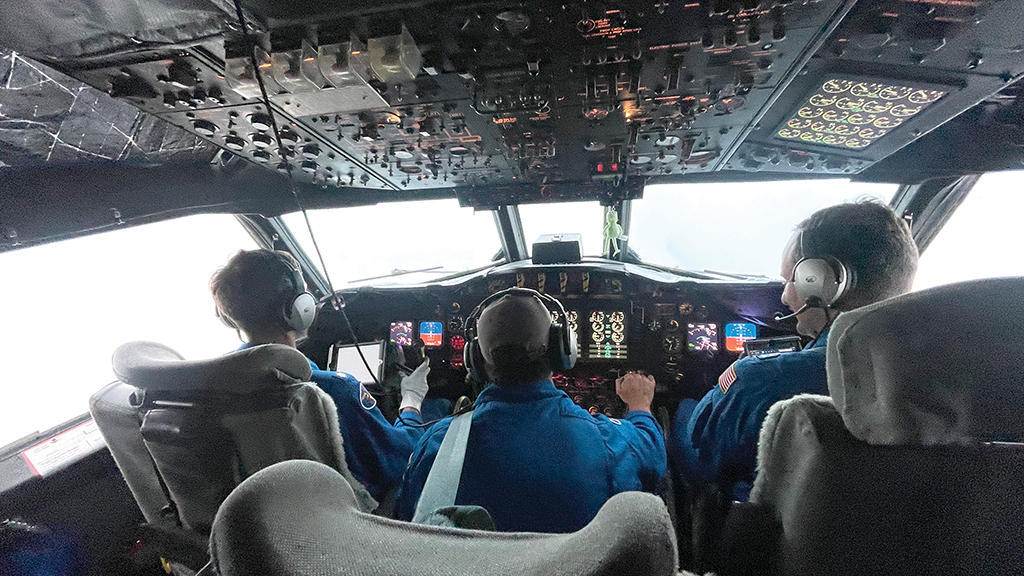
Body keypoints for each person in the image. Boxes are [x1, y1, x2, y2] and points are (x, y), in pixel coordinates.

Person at [670, 200, 918, 501]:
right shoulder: (953, 380)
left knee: (679, 412)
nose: (786, 297)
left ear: (824, 286)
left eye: (791, 281)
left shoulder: (762, 380)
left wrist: (663, 407)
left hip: (777, 540)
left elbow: (702, 457)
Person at [394, 289, 667, 533]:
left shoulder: (437, 446)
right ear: (562, 350)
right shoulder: (608, 441)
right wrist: (640, 406)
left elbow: (408, 523)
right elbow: (653, 457)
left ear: (474, 360)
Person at [210, 249, 428, 502]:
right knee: (439, 416)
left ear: (229, 316)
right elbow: (403, 457)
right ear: (297, 307)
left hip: (267, 512)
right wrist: (411, 400)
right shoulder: (331, 390)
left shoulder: (216, 387)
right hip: (353, 518)